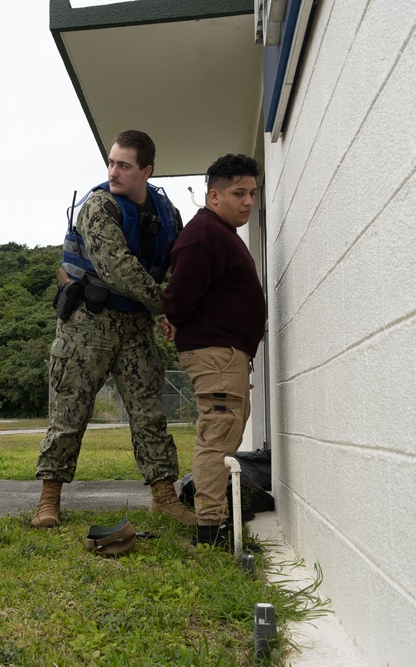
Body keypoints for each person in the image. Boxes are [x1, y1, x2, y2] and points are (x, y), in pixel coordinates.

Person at [32, 130, 195, 528]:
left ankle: (163, 497)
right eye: (110, 162)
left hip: (135, 325)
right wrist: (169, 307)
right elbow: (116, 267)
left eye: (123, 165)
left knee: (149, 413)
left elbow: (179, 262)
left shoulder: (167, 213)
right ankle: (48, 500)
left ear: (146, 171)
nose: (113, 172)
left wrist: (172, 309)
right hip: (88, 323)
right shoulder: (98, 207)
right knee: (69, 412)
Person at [160, 154, 266, 549]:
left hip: (228, 354)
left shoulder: (221, 233)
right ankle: (211, 528)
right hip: (215, 355)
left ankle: (217, 516)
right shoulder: (204, 235)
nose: (248, 202)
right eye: (239, 193)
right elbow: (179, 297)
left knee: (226, 431)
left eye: (253, 194)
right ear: (214, 195)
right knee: (217, 436)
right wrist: (174, 316)